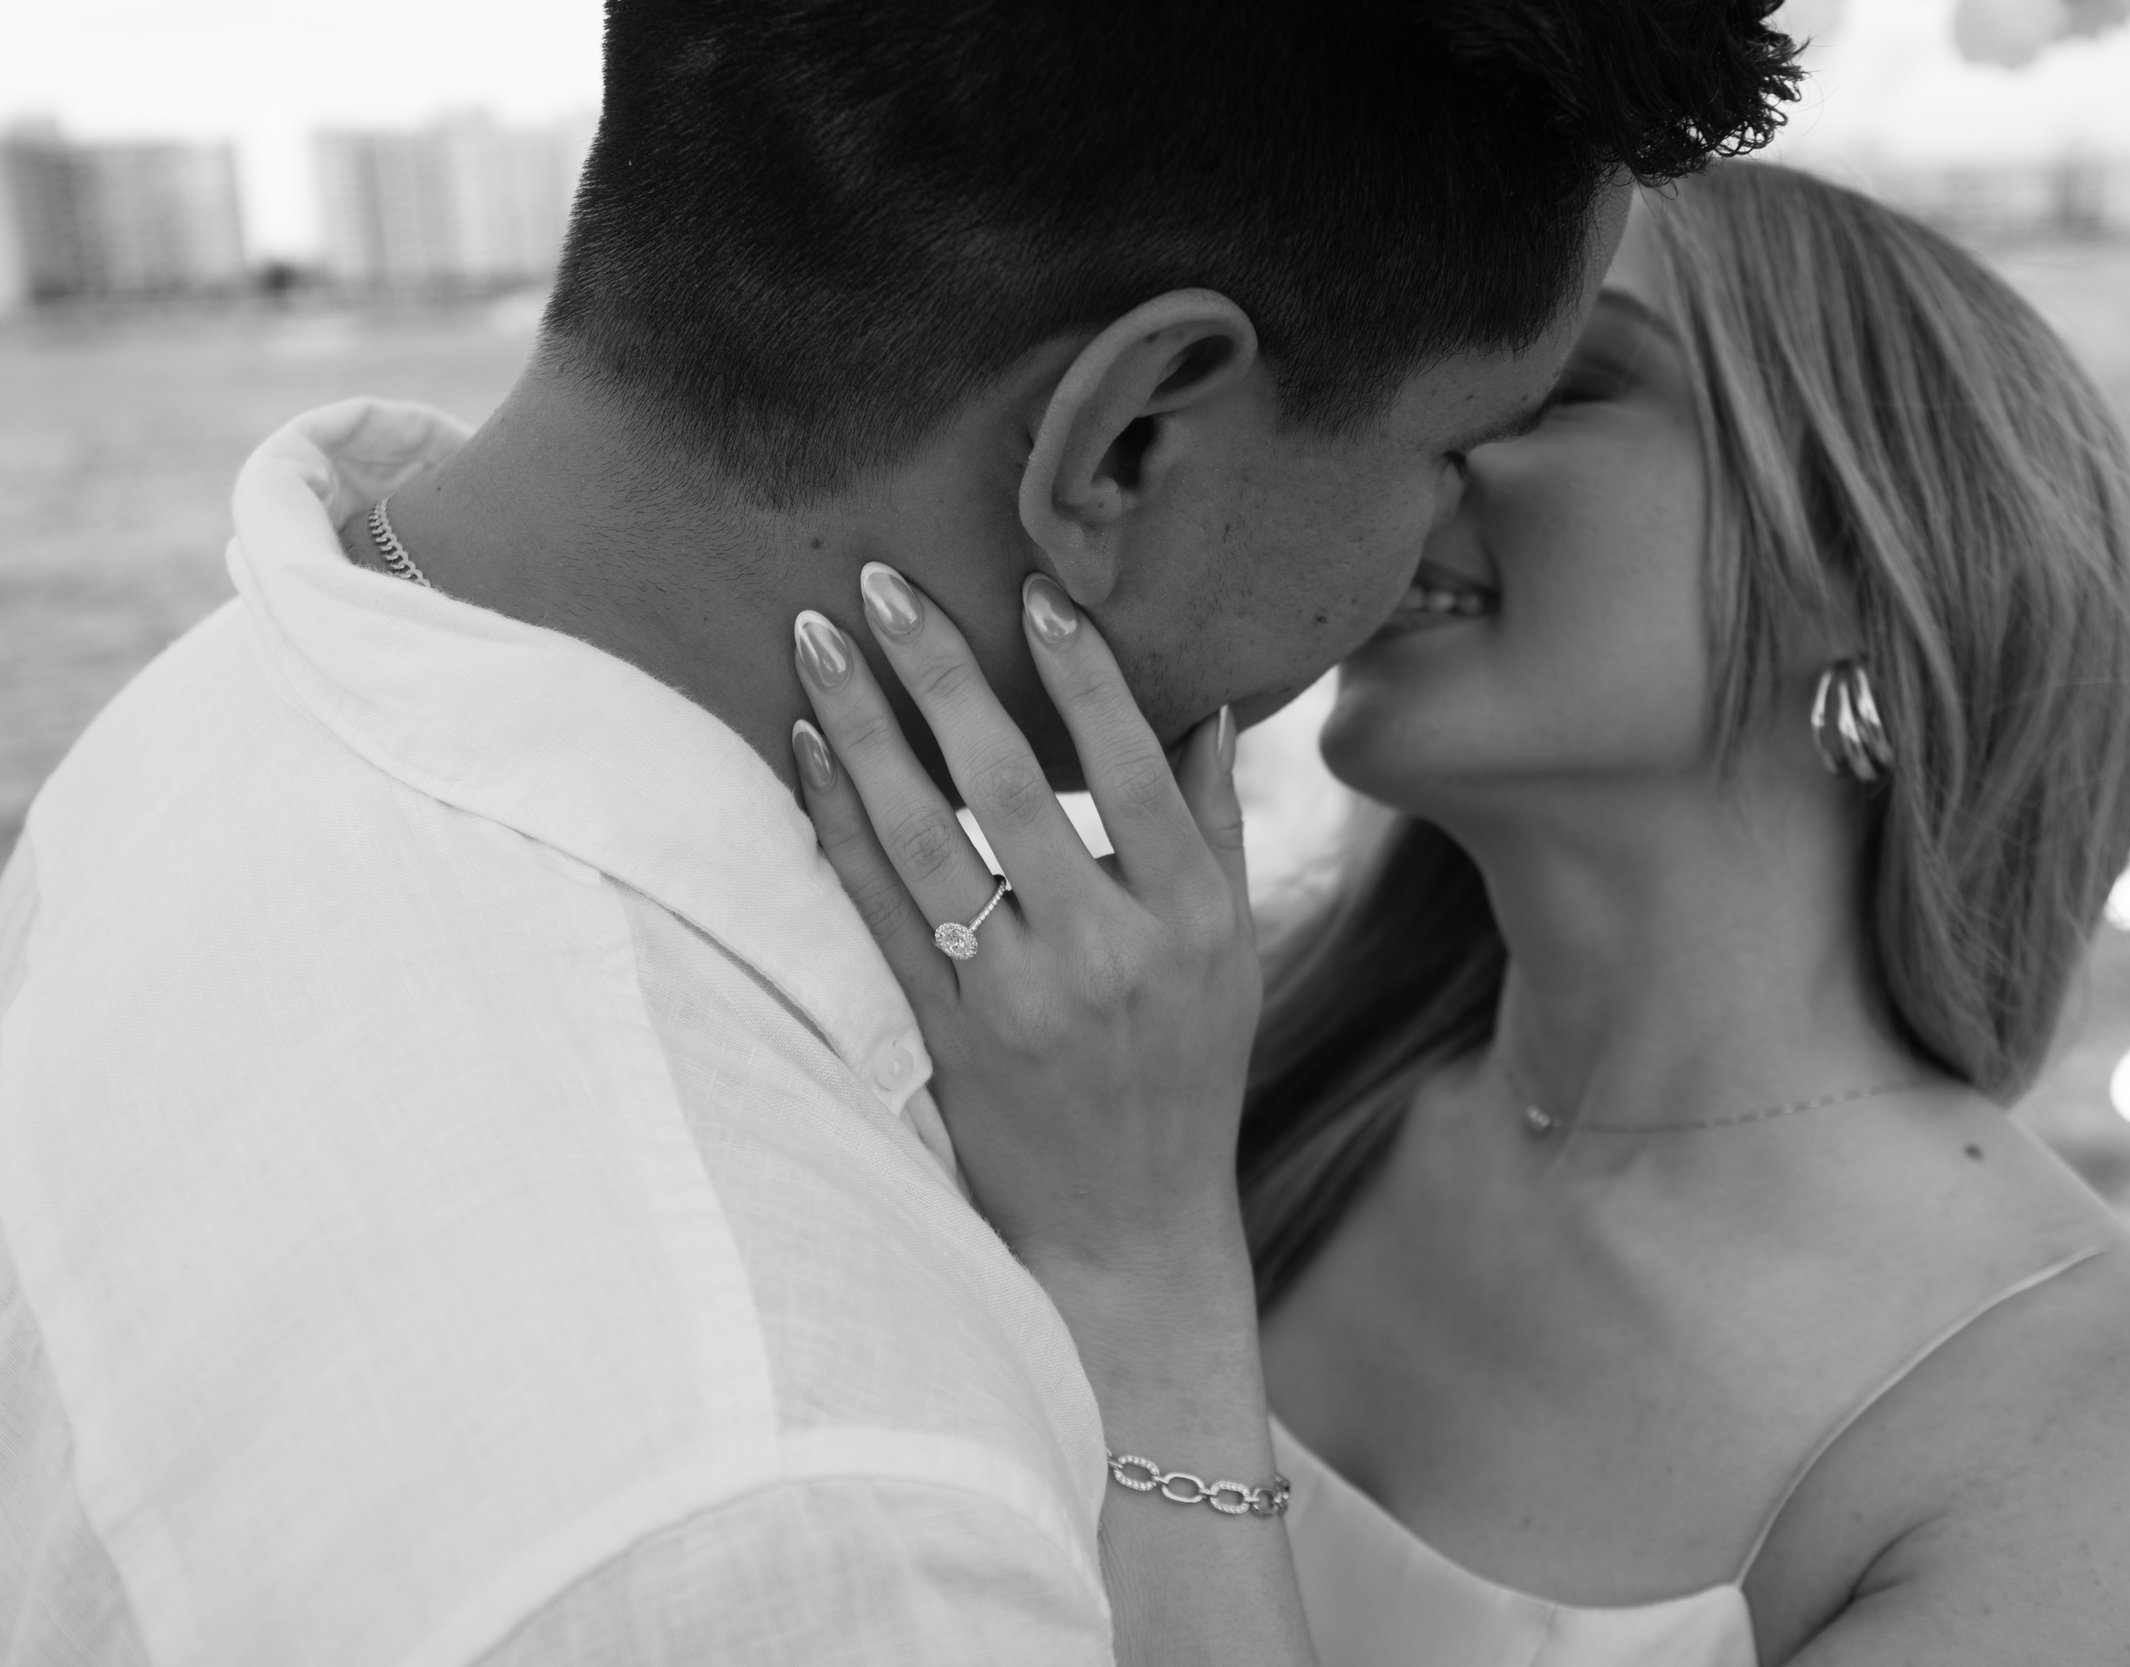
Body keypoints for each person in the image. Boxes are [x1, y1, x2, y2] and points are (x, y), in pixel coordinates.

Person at [0, 6, 1803, 1663]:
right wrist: (1148, 1296)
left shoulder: (229, 707)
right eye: (1461, 437)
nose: (1440, 540)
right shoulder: (805, 1515)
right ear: (1128, 438)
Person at [786, 163, 2130, 1666]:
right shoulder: (1208, 1081)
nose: (1388, 442)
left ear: (1866, 563)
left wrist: (1140, 1277)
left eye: (1543, 385)